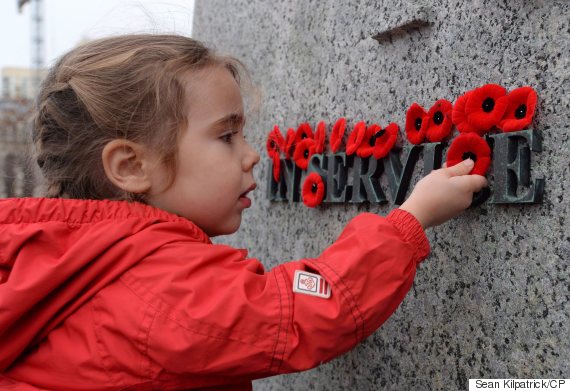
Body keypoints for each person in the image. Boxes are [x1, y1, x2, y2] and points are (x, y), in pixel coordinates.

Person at [0, 34, 487, 390]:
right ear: (130, 166)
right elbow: (298, 311)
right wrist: (410, 220)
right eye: (227, 136)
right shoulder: (155, 287)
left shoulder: (69, 266)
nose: (253, 155)